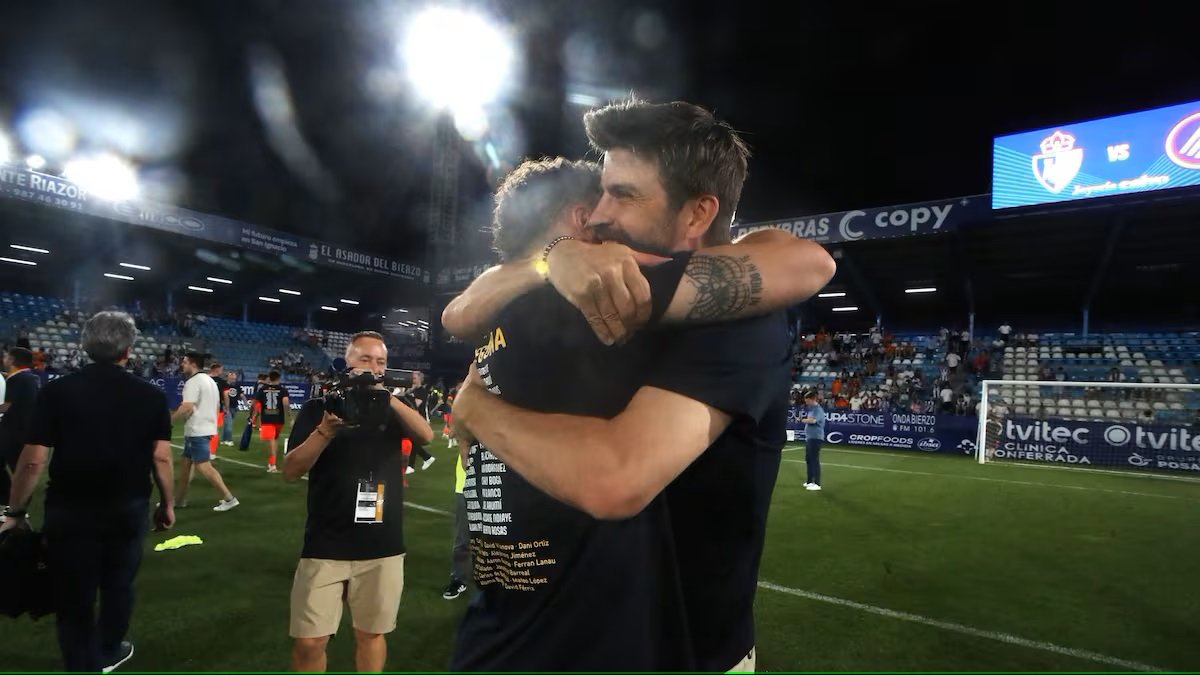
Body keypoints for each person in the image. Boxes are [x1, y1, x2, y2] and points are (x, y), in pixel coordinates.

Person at [444, 107, 834, 670]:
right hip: (532, 638)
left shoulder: (740, 314)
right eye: (600, 193)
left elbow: (809, 262)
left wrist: (474, 406)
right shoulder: (555, 301)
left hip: (688, 653)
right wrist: (551, 261)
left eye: (623, 195)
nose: (599, 216)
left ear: (699, 212)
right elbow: (460, 312)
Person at [1, 311, 175, 673]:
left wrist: (16, 510)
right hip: (128, 506)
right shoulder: (150, 396)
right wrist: (168, 504)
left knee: (72, 590)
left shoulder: (56, 391)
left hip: (70, 507)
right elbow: (161, 457)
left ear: (85, 346)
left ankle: (80, 662)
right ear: (128, 349)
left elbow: (34, 460)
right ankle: (109, 649)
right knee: (118, 583)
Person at [282, 331, 433, 673]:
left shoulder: (395, 409)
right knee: (309, 641)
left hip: (382, 542)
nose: (373, 367)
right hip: (326, 541)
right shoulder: (319, 409)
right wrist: (324, 431)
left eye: (380, 361)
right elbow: (290, 470)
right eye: (365, 359)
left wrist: (389, 398)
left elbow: (426, 436)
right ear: (347, 362)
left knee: (371, 634)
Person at [173, 352, 239, 511]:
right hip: (206, 428)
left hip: (197, 430)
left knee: (203, 465)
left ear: (193, 364)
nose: (183, 365)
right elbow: (217, 406)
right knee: (186, 465)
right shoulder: (210, 381)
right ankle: (178, 501)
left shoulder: (193, 382)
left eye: (185, 362)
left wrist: (169, 420)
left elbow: (187, 406)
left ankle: (229, 499)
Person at [0, 347, 39, 505]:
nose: (4, 359)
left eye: (6, 357)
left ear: (12, 360)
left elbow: (6, 406)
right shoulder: (28, 378)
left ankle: (18, 505)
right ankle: (13, 499)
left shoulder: (18, 380)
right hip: (20, 433)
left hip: (13, 435)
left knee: (18, 469)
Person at [441, 448, 470, 601]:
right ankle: (458, 579)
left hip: (495, 481)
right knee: (463, 538)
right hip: (465, 484)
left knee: (499, 535)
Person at [251, 371, 289, 473]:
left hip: (267, 418)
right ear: (278, 378)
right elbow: (286, 403)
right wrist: (290, 416)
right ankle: (273, 462)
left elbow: (257, 405)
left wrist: (254, 417)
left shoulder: (262, 389)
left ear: (269, 378)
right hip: (279, 419)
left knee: (270, 441)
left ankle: (272, 464)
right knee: (275, 440)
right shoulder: (283, 390)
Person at [404, 371, 435, 473]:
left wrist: (405, 398)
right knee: (413, 440)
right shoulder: (410, 390)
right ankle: (426, 458)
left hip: (419, 419)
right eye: (412, 378)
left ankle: (412, 465)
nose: (412, 380)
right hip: (411, 418)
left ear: (420, 380)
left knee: (413, 440)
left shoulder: (421, 391)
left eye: (415, 378)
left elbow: (416, 404)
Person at [800, 390, 826, 491]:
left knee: (814, 460)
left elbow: (813, 420)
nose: (806, 402)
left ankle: (817, 483)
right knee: (808, 459)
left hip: (816, 438)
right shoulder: (812, 409)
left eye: (807, 400)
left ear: (812, 399)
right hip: (810, 437)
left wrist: (803, 420)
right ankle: (810, 481)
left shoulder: (818, 410)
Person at [208, 363, 227, 458]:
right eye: (221, 369)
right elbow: (226, 396)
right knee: (214, 431)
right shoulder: (222, 382)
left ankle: (201, 450)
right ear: (216, 369)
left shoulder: (204, 379)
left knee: (202, 429)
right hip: (217, 410)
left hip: (204, 409)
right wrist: (226, 408)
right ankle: (211, 452)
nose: (221, 371)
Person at [222, 371, 241, 446]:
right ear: (228, 377)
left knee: (227, 424)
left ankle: (223, 439)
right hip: (227, 407)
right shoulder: (224, 385)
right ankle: (229, 440)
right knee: (229, 424)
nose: (233, 377)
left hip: (234, 407)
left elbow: (241, 394)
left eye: (234, 376)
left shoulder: (237, 385)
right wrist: (224, 407)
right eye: (231, 376)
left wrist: (246, 403)